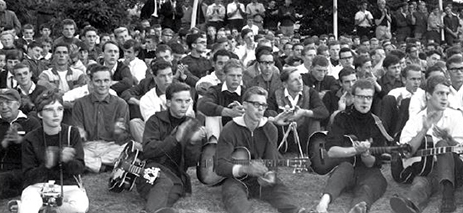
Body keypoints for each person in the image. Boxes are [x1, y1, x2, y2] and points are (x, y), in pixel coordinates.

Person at [215, 86, 307, 213]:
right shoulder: (230, 128)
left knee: (280, 189)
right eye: (256, 104)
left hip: (259, 177)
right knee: (233, 196)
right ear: (245, 105)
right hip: (236, 179)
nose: (260, 109)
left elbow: (271, 160)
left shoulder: (270, 129)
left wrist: (270, 174)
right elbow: (220, 165)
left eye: (263, 105)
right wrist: (244, 169)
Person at [392, 75, 463, 213]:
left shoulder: (455, 116)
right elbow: (406, 152)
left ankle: (448, 197)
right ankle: (410, 205)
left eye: (446, 93)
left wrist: (449, 139)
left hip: (455, 170)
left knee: (442, 144)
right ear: (428, 95)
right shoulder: (415, 120)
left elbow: (462, 149)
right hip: (427, 168)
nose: (445, 97)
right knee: (420, 182)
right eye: (440, 93)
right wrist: (424, 130)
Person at [313, 79, 388, 213]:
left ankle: (358, 208)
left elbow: (372, 163)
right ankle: (323, 203)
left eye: (368, 97)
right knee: (344, 169)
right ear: (353, 97)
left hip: (367, 170)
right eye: (360, 97)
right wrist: (354, 150)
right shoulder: (342, 117)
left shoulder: (377, 123)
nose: (365, 101)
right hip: (346, 165)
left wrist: (365, 154)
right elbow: (331, 151)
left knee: (376, 182)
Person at [137, 82, 206, 213]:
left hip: (176, 174)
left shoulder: (192, 124)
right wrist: (175, 138)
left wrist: (193, 142)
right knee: (164, 183)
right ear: (168, 102)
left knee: (173, 193)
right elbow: (148, 150)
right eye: (179, 101)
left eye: (187, 101)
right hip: (151, 169)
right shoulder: (155, 120)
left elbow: (191, 162)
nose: (184, 105)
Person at [19, 91, 89, 213]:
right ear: (40, 114)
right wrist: (47, 165)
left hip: (68, 186)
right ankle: (45, 207)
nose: (56, 114)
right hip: (38, 186)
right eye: (49, 110)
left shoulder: (71, 133)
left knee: (79, 208)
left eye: (60, 109)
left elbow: (80, 169)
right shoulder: (30, 138)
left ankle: (49, 209)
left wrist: (67, 161)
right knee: (28, 208)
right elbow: (28, 176)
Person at [71, 65, 131, 173]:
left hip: (111, 146)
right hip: (88, 146)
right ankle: (106, 166)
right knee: (72, 153)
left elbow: (123, 136)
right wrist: (80, 132)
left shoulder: (121, 104)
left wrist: (119, 131)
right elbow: (77, 127)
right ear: (91, 82)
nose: (102, 85)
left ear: (111, 82)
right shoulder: (80, 104)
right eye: (98, 81)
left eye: (106, 81)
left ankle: (93, 165)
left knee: (128, 148)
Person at [0, 88, 41, 200]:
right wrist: (4, 144)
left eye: (8, 102)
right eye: (0, 103)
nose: (4, 107)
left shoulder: (31, 122)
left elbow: (39, 150)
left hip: (23, 170)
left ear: (18, 104)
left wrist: (21, 141)